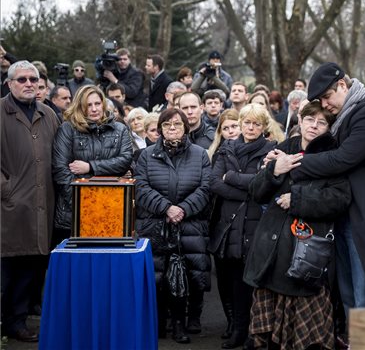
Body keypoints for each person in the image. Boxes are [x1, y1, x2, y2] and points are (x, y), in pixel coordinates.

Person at [286, 62, 365, 310]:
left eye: (326, 97)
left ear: (342, 85)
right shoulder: (349, 114)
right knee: (350, 296)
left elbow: (342, 159)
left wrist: (291, 164)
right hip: (350, 213)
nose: (324, 105)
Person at [244, 101, 351, 349]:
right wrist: (273, 172)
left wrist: (298, 200)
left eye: (321, 122)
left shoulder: (332, 157)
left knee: (307, 338)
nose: (314, 126)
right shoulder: (283, 149)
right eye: (310, 119)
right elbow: (256, 193)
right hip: (273, 253)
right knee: (267, 337)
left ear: (329, 127)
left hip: (307, 255)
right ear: (300, 121)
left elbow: (339, 200)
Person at [134, 108, 212, 344]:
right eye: (167, 125)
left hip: (189, 225)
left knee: (184, 277)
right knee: (157, 278)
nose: (172, 129)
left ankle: (180, 325)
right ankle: (157, 325)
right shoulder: (146, 155)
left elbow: (205, 188)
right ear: (160, 129)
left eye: (177, 125)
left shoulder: (200, 155)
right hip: (155, 225)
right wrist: (166, 207)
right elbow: (141, 186)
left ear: (185, 128)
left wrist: (183, 209)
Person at [1, 61, 60, 343]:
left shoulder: (48, 114)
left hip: (40, 206)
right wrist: (7, 189)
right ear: (9, 83)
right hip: (6, 208)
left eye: (33, 79)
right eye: (21, 79)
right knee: (4, 273)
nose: (28, 84)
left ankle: (17, 323)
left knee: (30, 272)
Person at [210, 104, 277, 349]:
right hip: (229, 221)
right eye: (247, 122)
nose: (250, 128)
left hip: (255, 223)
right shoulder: (227, 147)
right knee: (232, 279)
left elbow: (266, 183)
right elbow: (214, 182)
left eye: (256, 124)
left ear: (263, 127)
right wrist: (247, 190)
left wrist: (234, 179)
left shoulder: (271, 150)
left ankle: (253, 332)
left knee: (250, 281)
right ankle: (238, 328)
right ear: (240, 124)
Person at [52, 85, 133, 244]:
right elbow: (61, 171)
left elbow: (125, 161)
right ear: (80, 107)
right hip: (74, 213)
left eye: (97, 103)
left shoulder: (120, 129)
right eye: (88, 105)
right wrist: (84, 204)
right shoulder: (68, 129)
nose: (94, 109)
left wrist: (90, 166)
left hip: (112, 208)